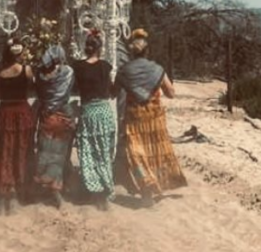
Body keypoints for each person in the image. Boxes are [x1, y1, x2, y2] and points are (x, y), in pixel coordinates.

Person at [115, 28, 187, 206]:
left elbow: (113, 92)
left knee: (136, 156)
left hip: (134, 119)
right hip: (155, 118)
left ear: (131, 53)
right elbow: (171, 93)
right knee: (157, 153)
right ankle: (159, 184)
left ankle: (145, 189)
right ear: (148, 51)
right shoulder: (157, 69)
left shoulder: (124, 71)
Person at [0, 38, 35, 214]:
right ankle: (14, 192)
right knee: (20, 151)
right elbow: (32, 88)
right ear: (20, 53)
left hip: (5, 113)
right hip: (22, 113)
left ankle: (2, 194)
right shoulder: (26, 70)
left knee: (4, 151)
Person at [72, 29, 116, 210]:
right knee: (104, 151)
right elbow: (111, 90)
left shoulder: (78, 67)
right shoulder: (106, 66)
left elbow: (75, 89)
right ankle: (105, 186)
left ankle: (94, 190)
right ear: (100, 48)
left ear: (85, 48)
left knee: (88, 151)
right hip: (104, 112)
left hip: (88, 112)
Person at [33, 43, 75, 208]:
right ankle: (57, 190)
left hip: (47, 118)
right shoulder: (68, 72)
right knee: (61, 155)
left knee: (47, 153)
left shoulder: (40, 76)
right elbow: (70, 89)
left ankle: (51, 187)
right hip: (64, 117)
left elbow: (38, 92)